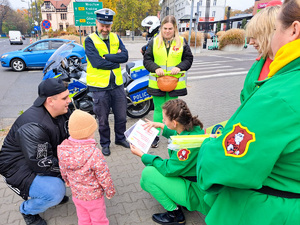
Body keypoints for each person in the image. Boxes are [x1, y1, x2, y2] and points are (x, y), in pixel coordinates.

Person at [196, 0, 300, 224]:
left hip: (269, 205)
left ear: (293, 29)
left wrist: (206, 149)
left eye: (274, 30)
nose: (251, 42)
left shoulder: (281, 93)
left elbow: (230, 163)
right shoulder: (266, 67)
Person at [0, 78, 71, 225]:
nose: (69, 101)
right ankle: (27, 210)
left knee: (71, 170)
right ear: (50, 101)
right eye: (65, 98)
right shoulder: (33, 126)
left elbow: (70, 136)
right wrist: (71, 169)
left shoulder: (63, 111)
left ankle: (51, 188)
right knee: (55, 192)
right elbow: (42, 163)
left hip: (37, 158)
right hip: (16, 167)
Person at [130, 99, 209, 225]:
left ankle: (175, 215)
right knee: (144, 182)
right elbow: (179, 134)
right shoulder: (193, 129)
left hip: (195, 191)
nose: (162, 120)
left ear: (174, 122)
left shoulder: (185, 147)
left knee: (147, 174)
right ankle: (178, 201)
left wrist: (143, 155)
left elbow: (169, 169)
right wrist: (161, 126)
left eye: (164, 119)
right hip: (192, 180)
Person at [83, 8, 130, 157]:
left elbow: (125, 57)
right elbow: (96, 63)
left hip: (116, 84)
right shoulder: (89, 40)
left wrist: (107, 57)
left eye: (108, 26)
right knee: (103, 119)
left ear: (111, 25)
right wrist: (114, 60)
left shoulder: (116, 38)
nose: (105, 29)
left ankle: (120, 138)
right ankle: (105, 144)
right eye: (102, 25)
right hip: (99, 87)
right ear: (97, 23)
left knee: (121, 116)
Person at [57, 110, 115, 225]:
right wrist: (109, 191)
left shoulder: (63, 149)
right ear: (88, 132)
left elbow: (62, 168)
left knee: (83, 219)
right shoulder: (94, 153)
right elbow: (104, 175)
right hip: (94, 197)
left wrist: (67, 180)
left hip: (77, 194)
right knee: (99, 220)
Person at [143, 15, 193, 148]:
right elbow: (147, 60)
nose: (167, 31)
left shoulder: (181, 42)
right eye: (165, 28)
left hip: (174, 84)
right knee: (159, 110)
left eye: (170, 28)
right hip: (157, 83)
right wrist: (155, 68)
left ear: (175, 28)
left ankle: (172, 135)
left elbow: (188, 59)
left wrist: (180, 67)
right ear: (161, 28)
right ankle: (155, 136)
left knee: (172, 111)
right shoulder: (153, 42)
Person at [241, 4, 281, 103]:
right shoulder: (259, 63)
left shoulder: (291, 67)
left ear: (270, 33)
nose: (250, 42)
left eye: (255, 37)